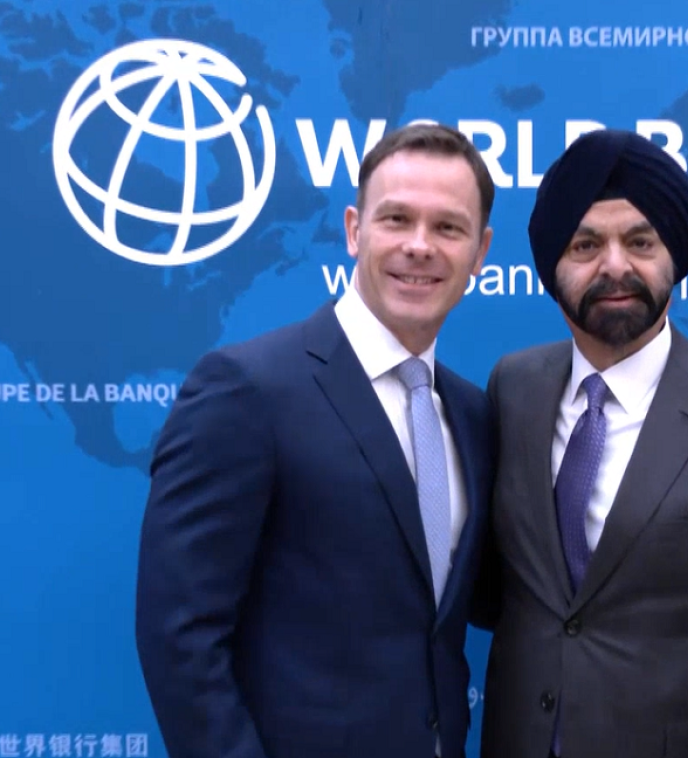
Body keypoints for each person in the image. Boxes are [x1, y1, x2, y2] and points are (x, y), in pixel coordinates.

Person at [135, 123, 496, 758]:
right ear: (354, 230)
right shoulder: (246, 389)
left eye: (448, 227)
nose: (419, 246)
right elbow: (179, 635)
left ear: (480, 251)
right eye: (396, 219)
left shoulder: (471, 414)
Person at [473, 128, 688, 758]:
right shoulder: (513, 388)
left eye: (640, 241)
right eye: (585, 245)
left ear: (673, 257)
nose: (615, 266)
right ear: (552, 266)